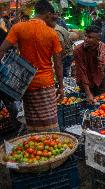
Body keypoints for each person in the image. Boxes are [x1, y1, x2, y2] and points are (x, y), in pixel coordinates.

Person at [0, 0, 63, 133]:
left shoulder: (18, 28)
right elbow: (58, 64)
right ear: (47, 14)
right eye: (52, 16)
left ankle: (35, 147)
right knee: (49, 122)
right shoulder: (52, 33)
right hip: (46, 83)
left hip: (26, 84)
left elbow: (2, 49)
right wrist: (61, 87)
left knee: (32, 122)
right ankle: (51, 147)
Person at [74, 25, 105, 104]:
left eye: (90, 37)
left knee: (102, 104)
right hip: (85, 84)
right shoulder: (78, 50)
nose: (86, 39)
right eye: (85, 36)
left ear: (98, 39)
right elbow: (82, 72)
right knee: (88, 105)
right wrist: (88, 94)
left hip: (100, 81)